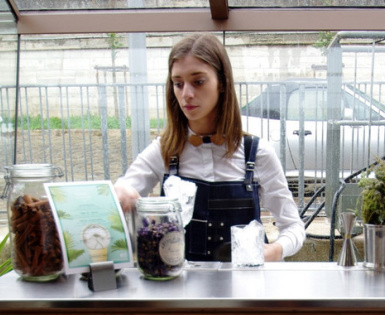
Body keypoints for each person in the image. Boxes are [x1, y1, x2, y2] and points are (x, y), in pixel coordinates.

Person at [115, 33, 305, 263]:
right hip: (184, 291)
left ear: (222, 83)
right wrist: (120, 193)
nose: (186, 94)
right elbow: (122, 194)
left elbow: (293, 227)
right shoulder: (164, 150)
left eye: (198, 81)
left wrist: (274, 251)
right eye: (178, 83)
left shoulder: (258, 153)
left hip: (245, 290)